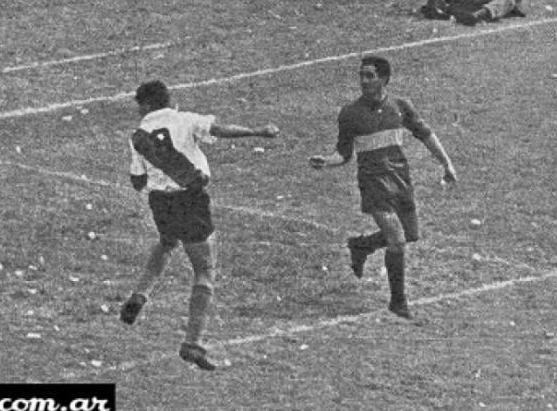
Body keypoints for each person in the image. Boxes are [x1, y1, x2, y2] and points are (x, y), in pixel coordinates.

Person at [120, 80, 279, 370]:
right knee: (204, 270)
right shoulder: (186, 119)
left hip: (160, 202)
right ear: (169, 100)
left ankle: (140, 294)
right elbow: (219, 130)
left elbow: (137, 181)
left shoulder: (138, 136)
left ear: (145, 105)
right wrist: (258, 131)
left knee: (168, 242)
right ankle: (192, 343)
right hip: (190, 201)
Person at [309, 56, 457, 320]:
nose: (364, 81)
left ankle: (362, 245)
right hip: (373, 183)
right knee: (397, 240)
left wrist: (446, 164)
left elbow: (425, 134)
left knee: (411, 234)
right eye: (362, 76)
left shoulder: (400, 107)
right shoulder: (350, 114)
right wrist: (326, 162)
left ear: (384, 79)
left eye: (370, 76)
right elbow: (344, 154)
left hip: (400, 179)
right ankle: (398, 302)